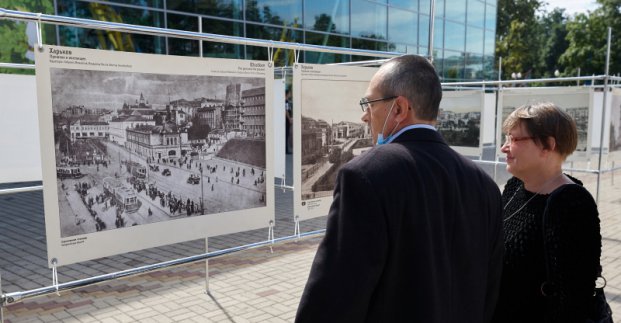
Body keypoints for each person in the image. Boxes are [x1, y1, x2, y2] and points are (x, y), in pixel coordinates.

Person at [295, 55, 503, 322]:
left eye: (369, 104)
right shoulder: (484, 184)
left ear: (399, 109)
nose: (364, 115)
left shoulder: (365, 176)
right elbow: (489, 292)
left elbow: (334, 299)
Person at [492, 103, 602, 322]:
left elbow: (573, 300)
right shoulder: (515, 187)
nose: (504, 148)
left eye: (514, 139)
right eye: (506, 138)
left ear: (548, 146)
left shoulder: (572, 204)